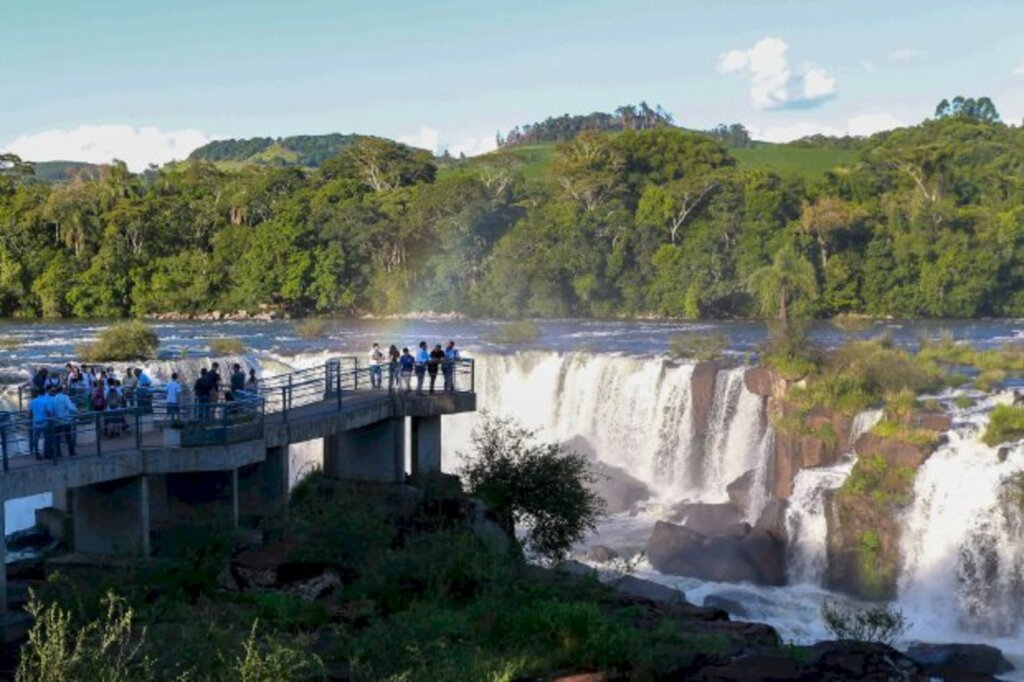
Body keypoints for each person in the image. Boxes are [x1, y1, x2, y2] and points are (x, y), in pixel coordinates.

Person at [50, 385, 77, 457]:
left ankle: (58, 453)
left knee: (57, 438)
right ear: (62, 390)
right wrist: (76, 410)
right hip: (66, 420)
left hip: (57, 421)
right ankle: (71, 452)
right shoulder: (65, 397)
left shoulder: (53, 399)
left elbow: (51, 410)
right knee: (68, 436)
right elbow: (71, 408)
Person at [29, 388, 54, 460]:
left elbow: (30, 413)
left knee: (36, 438)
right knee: (47, 438)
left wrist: (30, 422)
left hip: (36, 422)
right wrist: (51, 420)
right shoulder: (46, 400)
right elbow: (49, 412)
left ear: (38, 393)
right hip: (45, 421)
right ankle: (46, 453)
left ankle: (37, 453)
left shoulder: (33, 401)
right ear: (44, 392)